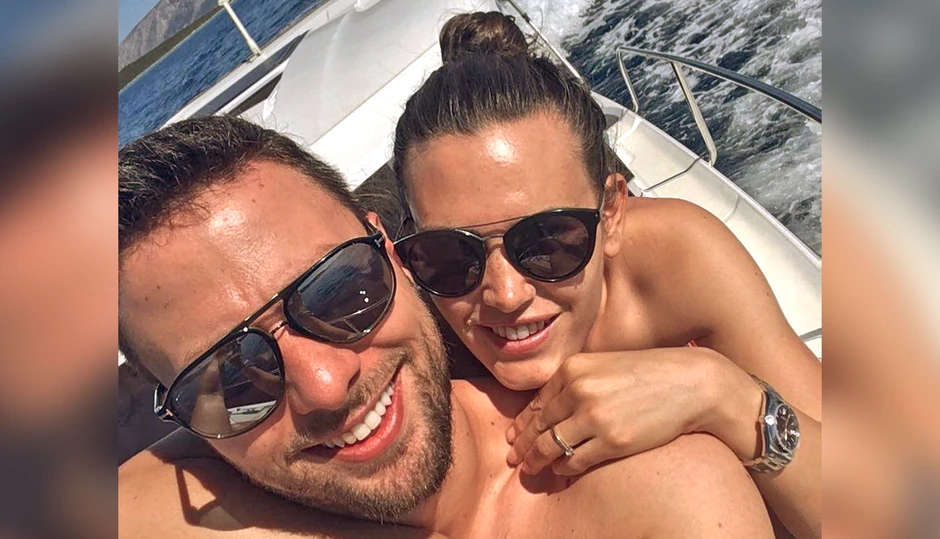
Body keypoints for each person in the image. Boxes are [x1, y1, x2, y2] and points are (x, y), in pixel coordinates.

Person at [117, 115, 773, 538]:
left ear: (391, 252)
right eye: (231, 377)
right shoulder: (185, 503)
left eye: (338, 290)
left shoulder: (657, 499)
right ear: (180, 411)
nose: (324, 385)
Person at [391, 11, 821, 538]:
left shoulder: (676, 258)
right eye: (449, 255)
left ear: (612, 213)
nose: (505, 294)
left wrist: (717, 393)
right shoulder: (415, 348)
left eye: (546, 241)